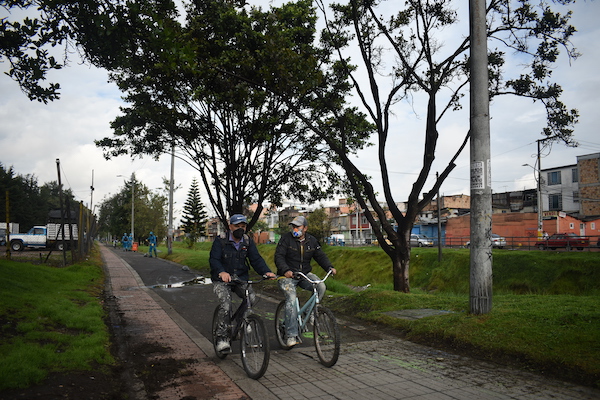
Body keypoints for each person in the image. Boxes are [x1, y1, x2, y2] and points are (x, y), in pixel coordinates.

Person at [210, 214, 276, 352]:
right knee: (226, 304)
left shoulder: (247, 241)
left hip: (241, 278)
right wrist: (221, 272)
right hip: (223, 280)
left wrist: (266, 272)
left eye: (243, 226)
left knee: (251, 298)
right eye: (237, 226)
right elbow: (214, 259)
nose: (240, 229)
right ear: (230, 227)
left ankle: (242, 323)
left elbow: (256, 259)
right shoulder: (220, 241)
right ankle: (222, 338)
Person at [275, 215, 337, 348]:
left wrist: (329, 267)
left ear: (305, 228)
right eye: (293, 226)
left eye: (298, 226)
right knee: (291, 298)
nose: (294, 229)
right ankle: (291, 335)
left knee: (321, 286)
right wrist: (285, 270)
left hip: (304, 274)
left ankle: (309, 314)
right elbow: (279, 256)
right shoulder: (286, 239)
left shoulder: (312, 241)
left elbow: (320, 256)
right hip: (287, 276)